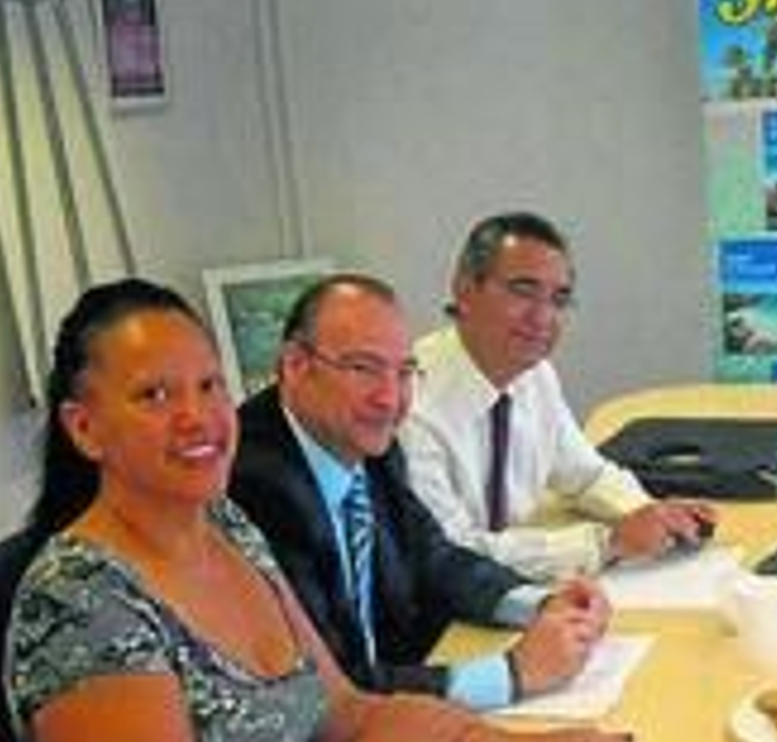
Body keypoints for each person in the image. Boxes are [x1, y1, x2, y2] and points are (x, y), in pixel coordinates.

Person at [0, 279, 633, 742]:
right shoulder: (82, 601)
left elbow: (342, 712)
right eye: (155, 395)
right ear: (84, 428)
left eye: (208, 385)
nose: (197, 417)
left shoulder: (224, 524)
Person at [231, 274, 606, 711]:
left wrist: (540, 604)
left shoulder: (361, 437)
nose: (390, 398)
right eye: (363, 368)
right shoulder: (254, 486)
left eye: (404, 372)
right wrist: (513, 673)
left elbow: (429, 555)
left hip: (401, 694)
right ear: (296, 365)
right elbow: (336, 688)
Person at [400, 212, 716, 580]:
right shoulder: (410, 404)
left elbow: (586, 477)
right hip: (439, 602)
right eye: (523, 291)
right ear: (465, 290)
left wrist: (654, 514)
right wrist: (607, 543)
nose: (542, 317)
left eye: (559, 300)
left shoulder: (536, 377)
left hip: (507, 584)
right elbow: (452, 553)